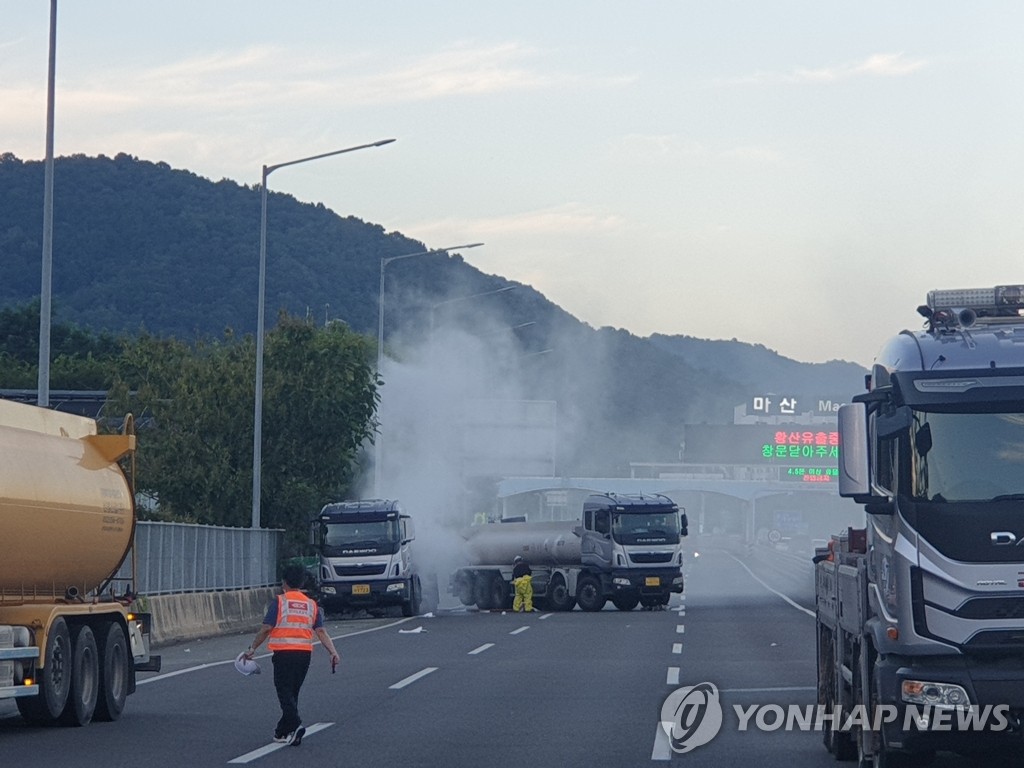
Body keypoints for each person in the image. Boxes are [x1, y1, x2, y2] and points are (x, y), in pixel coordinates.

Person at [243, 565, 340, 746]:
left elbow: (266, 629)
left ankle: (296, 725)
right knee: (292, 693)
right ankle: (282, 732)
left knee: (284, 692)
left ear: (284, 583)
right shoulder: (311, 605)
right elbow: (321, 631)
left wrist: (252, 648)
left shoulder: (280, 602)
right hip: (304, 655)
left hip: (284, 654)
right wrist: (332, 652)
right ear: (301, 583)